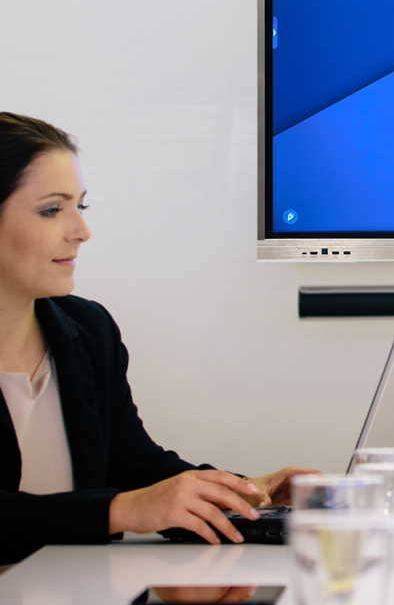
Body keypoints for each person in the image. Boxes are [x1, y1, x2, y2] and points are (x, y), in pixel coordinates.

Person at [0, 113, 315, 566]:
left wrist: (246, 494)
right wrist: (122, 510)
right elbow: (127, 502)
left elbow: (138, 472)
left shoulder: (87, 329)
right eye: (52, 209)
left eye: (80, 207)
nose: (81, 231)